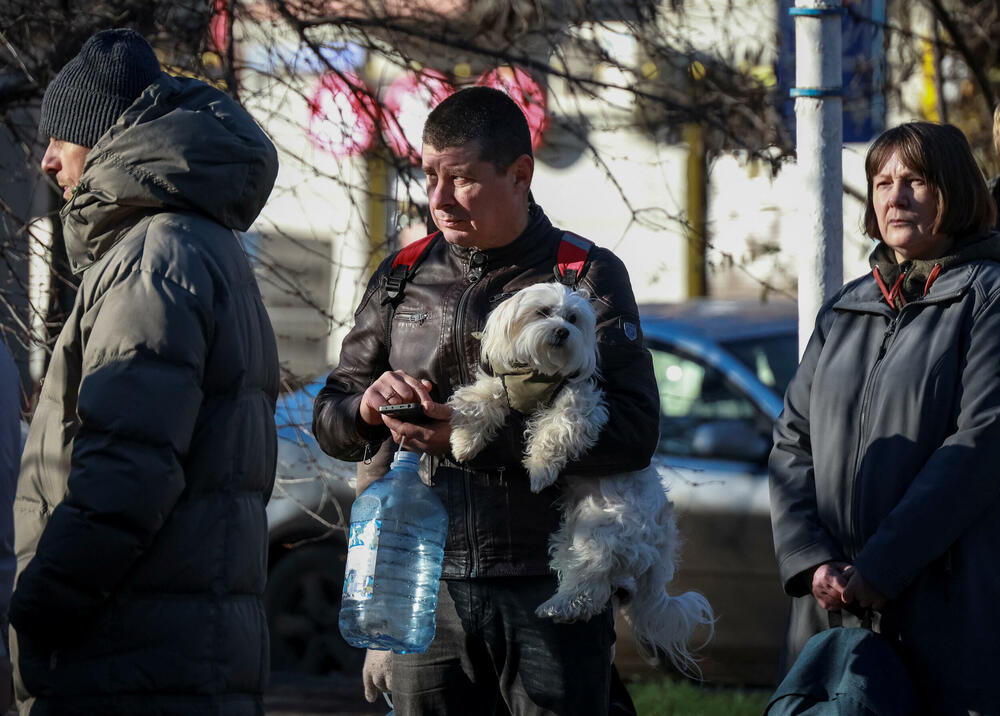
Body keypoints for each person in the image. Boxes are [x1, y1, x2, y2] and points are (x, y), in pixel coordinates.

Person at [313, 86, 659, 715]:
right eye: (430, 176)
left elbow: (634, 434)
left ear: (520, 174)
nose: (439, 199)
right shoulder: (402, 275)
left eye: (463, 179)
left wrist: (473, 441)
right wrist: (366, 409)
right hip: (423, 585)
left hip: (548, 583)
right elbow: (331, 417)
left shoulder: (584, 274)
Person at [12, 28, 279, 715]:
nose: (47, 159)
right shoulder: (197, 241)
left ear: (104, 138)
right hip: (172, 653)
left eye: (62, 137)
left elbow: (126, 474)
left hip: (128, 661)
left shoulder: (154, 258)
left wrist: (36, 609)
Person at [769, 121, 1000, 714]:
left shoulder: (988, 297)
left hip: (945, 611)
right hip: (831, 610)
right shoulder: (846, 308)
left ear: (955, 190)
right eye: (882, 182)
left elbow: (979, 447)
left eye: (915, 180)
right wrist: (810, 558)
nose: (895, 197)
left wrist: (880, 568)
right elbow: (792, 441)